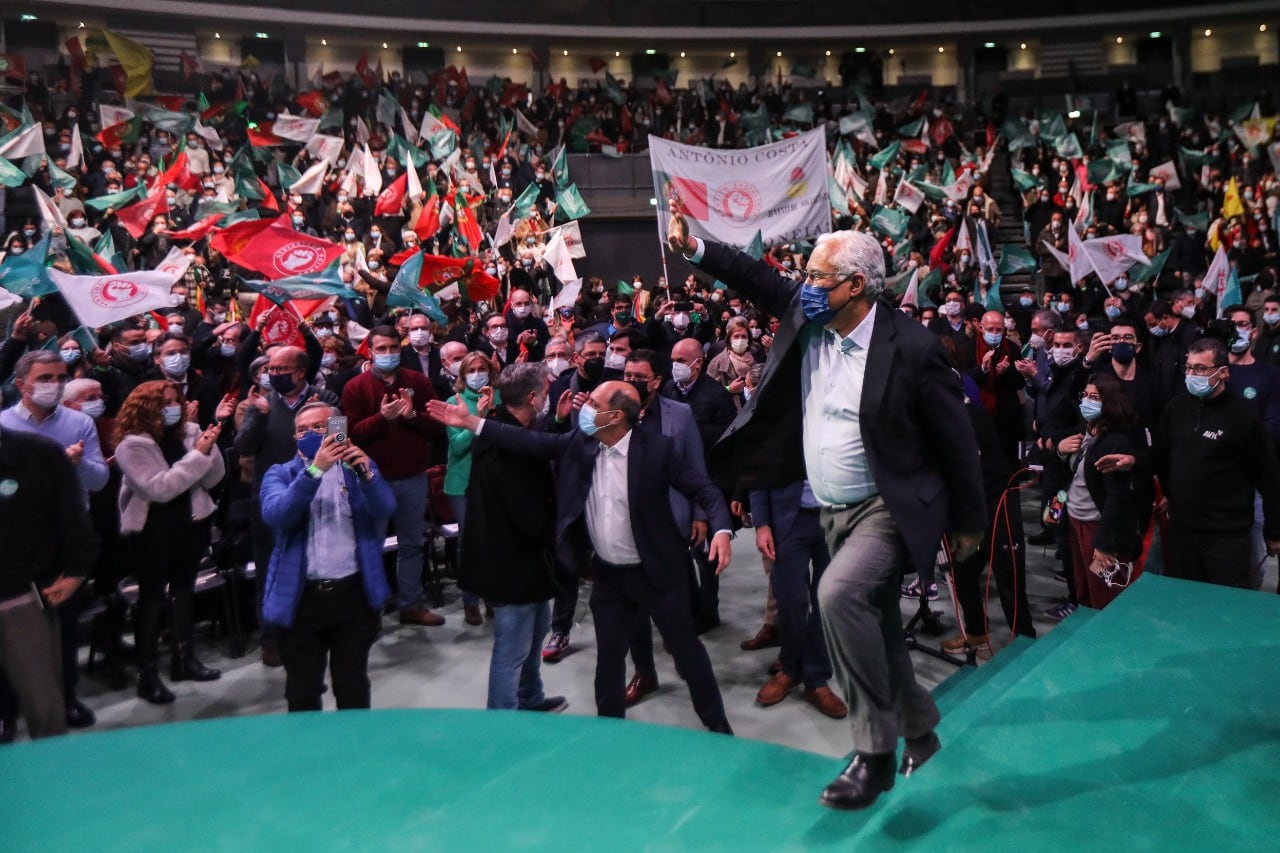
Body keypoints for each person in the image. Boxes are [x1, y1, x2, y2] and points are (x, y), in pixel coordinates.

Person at [670, 206, 984, 810]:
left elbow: (955, 442)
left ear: (857, 287)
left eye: (817, 278)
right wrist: (698, 249)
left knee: (836, 597)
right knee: (879, 628)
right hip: (829, 509)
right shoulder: (810, 316)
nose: (804, 286)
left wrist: (968, 525)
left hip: (886, 508)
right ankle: (922, 729)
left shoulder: (913, 349)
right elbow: (754, 276)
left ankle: (873, 754)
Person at [428, 381, 735, 733]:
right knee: (608, 663)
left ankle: (718, 727)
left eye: (592, 402)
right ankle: (607, 736)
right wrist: (472, 423)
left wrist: (722, 530)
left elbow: (706, 491)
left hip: (657, 575)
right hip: (609, 576)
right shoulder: (581, 443)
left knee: (688, 655)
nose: (583, 406)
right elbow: (531, 442)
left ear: (615, 416)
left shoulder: (657, 450)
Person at [259, 403, 394, 712]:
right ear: (294, 437)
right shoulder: (280, 473)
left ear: (338, 429)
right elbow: (277, 515)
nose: (311, 434)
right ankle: (312, 756)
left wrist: (369, 475)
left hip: (352, 595)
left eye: (320, 427)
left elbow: (385, 509)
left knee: (352, 684)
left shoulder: (358, 468)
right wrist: (315, 470)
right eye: (303, 429)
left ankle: (355, 753)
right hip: (301, 599)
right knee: (302, 690)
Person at [0, 351, 110, 729]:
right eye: (44, 378)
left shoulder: (39, 451)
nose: (54, 386)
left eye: (58, 378)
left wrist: (76, 570)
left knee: (44, 686)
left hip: (27, 585)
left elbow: (78, 511)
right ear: (19, 386)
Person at [458, 364, 565, 712]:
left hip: (527, 560)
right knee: (512, 650)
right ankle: (502, 725)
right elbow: (526, 510)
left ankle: (529, 698)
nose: (547, 400)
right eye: (545, 394)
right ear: (532, 398)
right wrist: (561, 534)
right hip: (509, 561)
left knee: (535, 635)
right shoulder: (502, 443)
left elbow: (535, 442)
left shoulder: (506, 426)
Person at [116, 381, 226, 704]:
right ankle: (146, 674)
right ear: (145, 407)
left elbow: (213, 478)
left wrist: (209, 449)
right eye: (164, 402)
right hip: (153, 530)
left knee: (184, 592)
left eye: (175, 400)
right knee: (151, 600)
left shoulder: (190, 432)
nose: (172, 407)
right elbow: (160, 488)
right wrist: (198, 456)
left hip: (191, 523)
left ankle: (185, 659)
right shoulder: (131, 445)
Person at [234, 345, 340, 666]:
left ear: (300, 372)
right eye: (271, 369)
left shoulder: (326, 400)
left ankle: (325, 627)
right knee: (271, 568)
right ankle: (272, 637)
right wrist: (258, 415)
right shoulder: (261, 403)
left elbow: (340, 440)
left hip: (320, 492)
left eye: (282, 370)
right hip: (273, 497)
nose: (274, 375)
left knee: (323, 562)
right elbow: (244, 446)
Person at [340, 326, 445, 626]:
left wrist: (412, 417)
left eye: (392, 348)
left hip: (412, 476)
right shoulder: (355, 387)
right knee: (371, 547)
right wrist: (381, 419)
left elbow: (438, 428)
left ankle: (410, 604)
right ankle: (370, 610)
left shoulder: (418, 381)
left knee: (412, 543)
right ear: (370, 352)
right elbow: (348, 436)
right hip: (371, 481)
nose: (388, 354)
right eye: (381, 349)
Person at [748, 480, 847, 719]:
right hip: (789, 518)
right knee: (791, 601)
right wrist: (761, 524)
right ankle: (790, 668)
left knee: (827, 602)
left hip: (835, 516)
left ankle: (816, 680)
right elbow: (760, 471)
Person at [1057, 375, 1143, 610]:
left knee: (1106, 598)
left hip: (1099, 529)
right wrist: (1059, 449)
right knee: (1083, 593)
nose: (1086, 401)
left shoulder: (1115, 442)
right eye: (1084, 396)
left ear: (1110, 403)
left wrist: (1104, 543)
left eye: (1094, 397)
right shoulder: (1084, 432)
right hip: (1075, 523)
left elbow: (1118, 496)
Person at [443, 351, 500, 625]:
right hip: (462, 483)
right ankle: (469, 599)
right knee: (470, 542)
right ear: (462, 376)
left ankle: (492, 594)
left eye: (482, 368)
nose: (478, 374)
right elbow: (458, 445)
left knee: (493, 540)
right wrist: (476, 418)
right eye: (471, 370)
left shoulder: (499, 399)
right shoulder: (453, 402)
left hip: (494, 480)